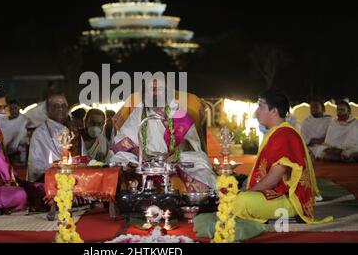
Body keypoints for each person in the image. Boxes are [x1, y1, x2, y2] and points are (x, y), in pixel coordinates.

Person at [233, 89, 332, 224]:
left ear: (274, 111)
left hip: (290, 201)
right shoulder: (277, 132)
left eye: (261, 106)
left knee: (241, 201)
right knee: (232, 196)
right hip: (276, 194)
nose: (256, 113)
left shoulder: (285, 135)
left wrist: (247, 191)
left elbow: (273, 179)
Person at [109, 78, 217, 192]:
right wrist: (139, 153)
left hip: (174, 158)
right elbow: (123, 140)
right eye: (151, 89)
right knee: (118, 159)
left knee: (201, 162)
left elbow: (190, 142)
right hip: (143, 158)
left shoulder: (178, 111)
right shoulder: (139, 111)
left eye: (159, 89)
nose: (155, 92)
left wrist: (175, 155)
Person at [27, 93, 81, 182]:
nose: (60, 108)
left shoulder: (73, 131)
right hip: (50, 182)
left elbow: (82, 159)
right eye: (56, 106)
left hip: (75, 180)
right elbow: (35, 167)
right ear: (48, 110)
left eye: (63, 105)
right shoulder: (40, 133)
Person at [0, 100, 29, 165]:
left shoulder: (24, 120)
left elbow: (24, 137)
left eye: (15, 108)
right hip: (2, 153)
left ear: (19, 108)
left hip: (18, 153)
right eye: (11, 108)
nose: (13, 110)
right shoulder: (2, 121)